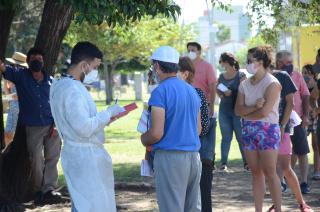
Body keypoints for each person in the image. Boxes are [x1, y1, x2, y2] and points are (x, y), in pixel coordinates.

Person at [50, 41, 124, 212]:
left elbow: (81, 122)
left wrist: (105, 118)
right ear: (84, 65)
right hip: (85, 158)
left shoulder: (62, 85)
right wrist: (108, 113)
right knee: (91, 206)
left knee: (83, 204)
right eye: (94, 67)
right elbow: (84, 128)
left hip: (79, 155)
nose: (95, 73)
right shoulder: (73, 90)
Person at [141, 46, 202, 212]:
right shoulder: (191, 91)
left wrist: (143, 139)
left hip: (170, 159)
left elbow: (156, 133)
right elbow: (198, 129)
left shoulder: (160, 92)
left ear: (157, 67)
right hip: (194, 157)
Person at [0, 48, 62, 204]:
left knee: (52, 159)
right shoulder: (21, 76)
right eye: (33, 58)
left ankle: (49, 190)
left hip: (52, 126)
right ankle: (38, 191)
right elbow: (3, 68)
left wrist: (56, 125)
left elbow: (57, 104)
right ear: (28, 62)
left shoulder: (51, 81)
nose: (37, 61)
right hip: (33, 126)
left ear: (43, 61)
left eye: (40, 58)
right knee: (36, 159)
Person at [235, 45, 282, 212]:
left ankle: (278, 209)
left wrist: (248, 112)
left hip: (267, 130)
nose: (247, 64)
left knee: (270, 172)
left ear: (261, 62)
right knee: (255, 172)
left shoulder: (272, 83)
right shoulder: (244, 84)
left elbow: (264, 112)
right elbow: (237, 110)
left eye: (250, 61)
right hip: (248, 130)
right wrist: (254, 107)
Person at [272, 64, 313, 212]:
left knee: (289, 163)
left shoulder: (287, 76)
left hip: (289, 124)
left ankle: (302, 197)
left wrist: (283, 126)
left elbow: (299, 98)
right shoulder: (258, 79)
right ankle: (277, 202)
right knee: (271, 168)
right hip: (267, 128)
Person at [178, 56, 211, 212]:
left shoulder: (196, 93)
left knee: (195, 196)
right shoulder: (170, 93)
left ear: (186, 73)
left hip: (194, 152)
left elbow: (204, 127)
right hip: (187, 152)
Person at [275, 50, 311, 194]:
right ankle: (281, 182)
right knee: (280, 153)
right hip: (279, 120)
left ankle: (304, 182)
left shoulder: (297, 75)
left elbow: (306, 95)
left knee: (302, 151)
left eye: (290, 62)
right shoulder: (274, 76)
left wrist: (306, 116)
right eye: (285, 62)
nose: (289, 65)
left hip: (297, 120)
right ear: (278, 62)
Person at [216, 52, 247, 171]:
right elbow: (217, 88)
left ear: (226, 62)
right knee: (226, 138)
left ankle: (247, 163)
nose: (221, 64)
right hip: (224, 111)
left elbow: (246, 91)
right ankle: (223, 164)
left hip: (238, 111)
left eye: (221, 62)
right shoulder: (221, 76)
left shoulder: (241, 75)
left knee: (241, 137)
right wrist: (222, 95)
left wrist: (234, 92)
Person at [3, 52, 28, 148]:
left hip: (18, 109)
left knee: (10, 135)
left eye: (13, 64)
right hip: (13, 108)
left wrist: (10, 96)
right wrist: (6, 82)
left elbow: (16, 96)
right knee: (8, 134)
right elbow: (9, 94)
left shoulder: (22, 77)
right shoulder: (15, 76)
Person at [302, 64, 320, 181]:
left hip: (314, 116)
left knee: (315, 144)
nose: (305, 75)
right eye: (303, 73)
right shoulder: (300, 83)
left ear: (313, 74)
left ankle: (317, 170)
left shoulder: (316, 84)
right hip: (303, 115)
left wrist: (315, 110)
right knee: (301, 144)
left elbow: (314, 98)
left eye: (308, 73)